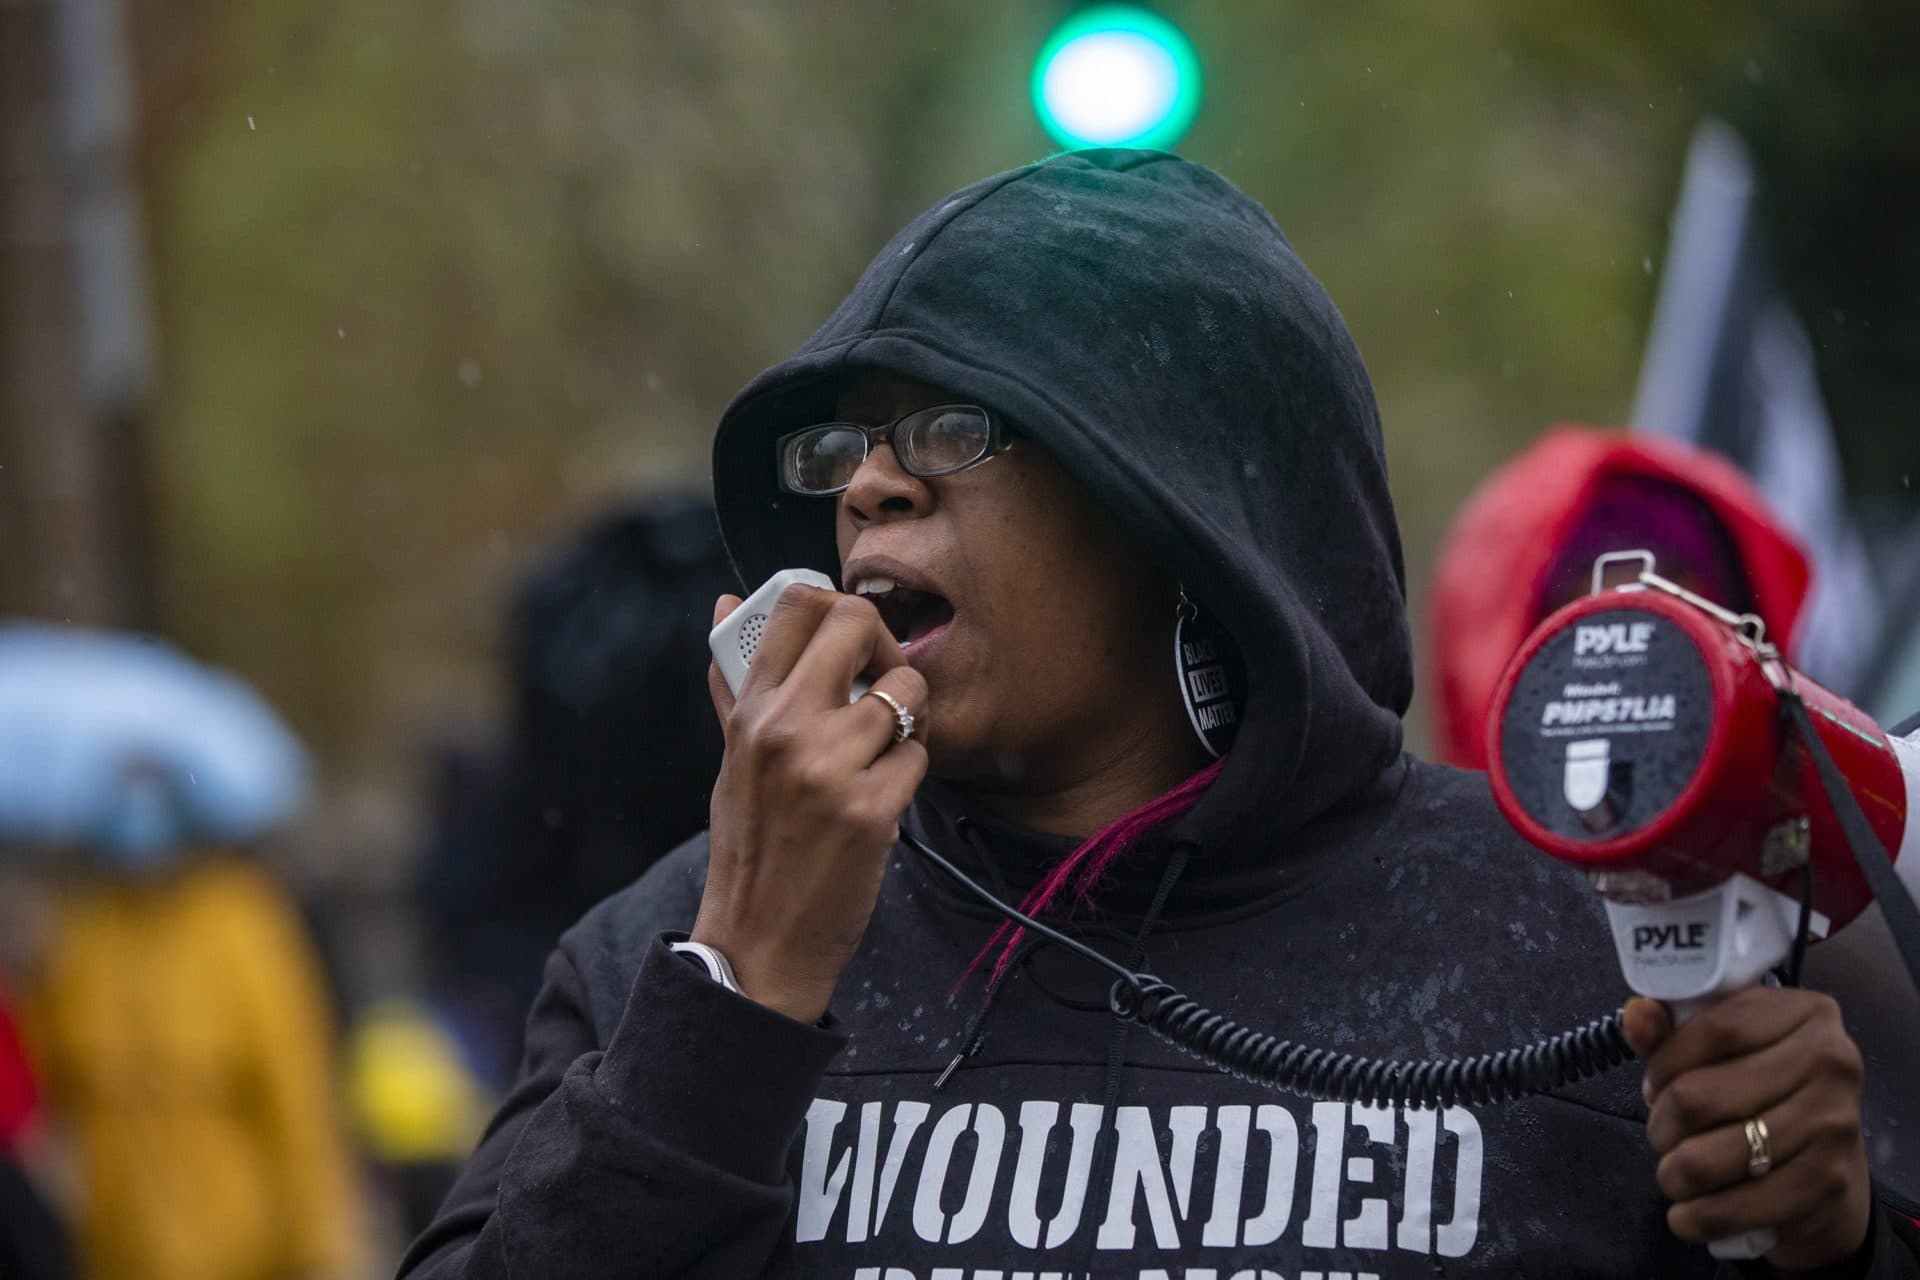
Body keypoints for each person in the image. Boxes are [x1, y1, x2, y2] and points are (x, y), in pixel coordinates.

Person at [402, 150, 1918, 1277]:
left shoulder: (1597, 935)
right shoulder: (666, 948)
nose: (871, 482)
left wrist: (1829, 1238)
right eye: (847, 447)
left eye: (955, 425)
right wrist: (731, 1002)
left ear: (1185, 507)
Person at [1426, 426, 1814, 771]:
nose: (1633, 630)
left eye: (1671, 584)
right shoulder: (1445, 842)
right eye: (1590, 603)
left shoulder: (1823, 820)